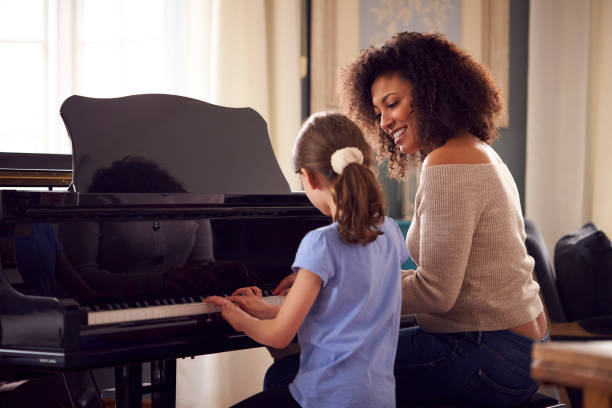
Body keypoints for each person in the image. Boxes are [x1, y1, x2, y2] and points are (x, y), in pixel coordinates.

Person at [336, 31, 548, 407]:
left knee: (303, 371)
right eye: (377, 112)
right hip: (515, 349)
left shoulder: (448, 161)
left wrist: (333, 288)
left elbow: (435, 293)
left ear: (432, 93)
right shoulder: (473, 150)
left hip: (488, 354)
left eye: (393, 103)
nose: (384, 121)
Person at [205, 112, 410, 407]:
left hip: (323, 398)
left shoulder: (321, 243)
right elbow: (345, 306)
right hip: (376, 397)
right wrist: (265, 310)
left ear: (310, 177)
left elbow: (279, 337)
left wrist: (239, 319)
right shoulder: (389, 231)